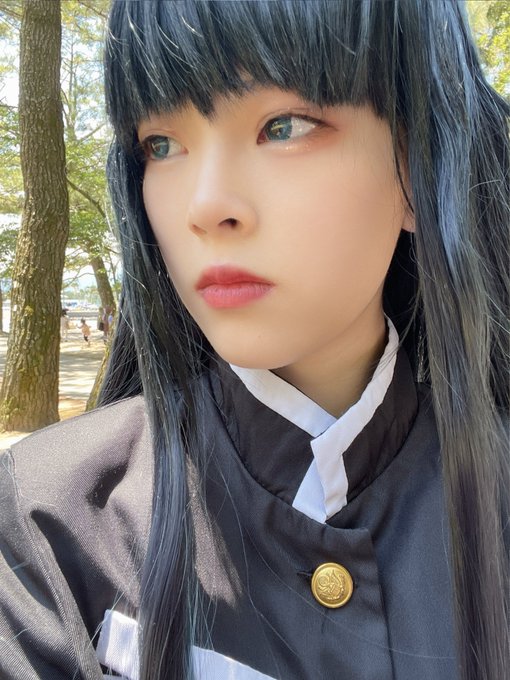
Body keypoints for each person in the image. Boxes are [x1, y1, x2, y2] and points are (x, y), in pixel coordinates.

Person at [0, 2, 508, 680]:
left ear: (417, 165)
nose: (206, 206)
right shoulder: (49, 519)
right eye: (161, 145)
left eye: (284, 126)